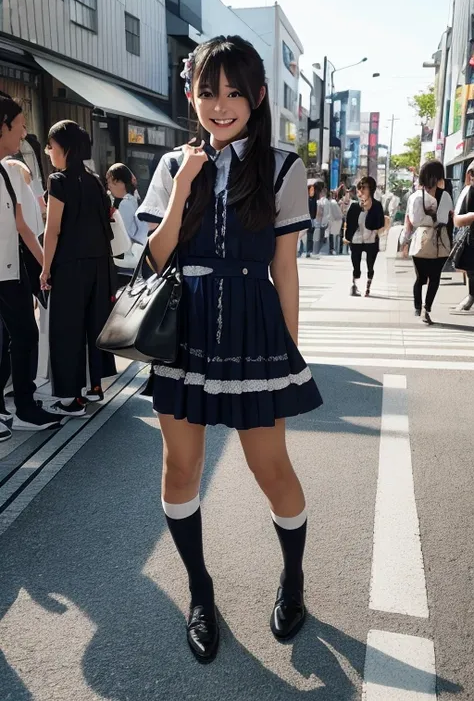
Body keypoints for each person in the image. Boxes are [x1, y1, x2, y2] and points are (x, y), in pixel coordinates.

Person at [137, 34, 323, 663]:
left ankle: (293, 580)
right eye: (208, 91)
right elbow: (153, 259)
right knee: (180, 470)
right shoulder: (171, 166)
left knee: (272, 471)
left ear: (258, 96)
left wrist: (290, 355)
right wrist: (186, 182)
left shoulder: (282, 167)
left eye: (234, 92)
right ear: (192, 95)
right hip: (181, 330)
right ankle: (199, 590)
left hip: (253, 329)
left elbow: (286, 269)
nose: (220, 105)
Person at [40, 120, 117, 413]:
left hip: (70, 265)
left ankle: (71, 399)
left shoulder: (58, 181)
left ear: (66, 149)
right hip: (99, 264)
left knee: (66, 329)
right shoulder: (95, 180)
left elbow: (53, 230)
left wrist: (45, 268)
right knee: (93, 325)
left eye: (52, 146)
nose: (49, 152)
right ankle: (94, 387)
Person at [0, 97, 63, 432]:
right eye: (21, 124)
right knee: (18, 338)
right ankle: (19, 406)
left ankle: (24, 406)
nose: (24, 133)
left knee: (23, 336)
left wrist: (45, 267)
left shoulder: (6, 173)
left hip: (11, 273)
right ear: (4, 125)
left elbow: (23, 226)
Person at [404, 160, 453, 324]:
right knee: (434, 278)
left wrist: (405, 239)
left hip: (421, 240)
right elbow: (446, 219)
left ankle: (419, 307)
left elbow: (413, 220)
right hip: (440, 241)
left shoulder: (415, 197)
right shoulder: (445, 195)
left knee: (420, 278)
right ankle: (426, 308)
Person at [346, 176, 385, 296]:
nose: (361, 191)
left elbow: (381, 223)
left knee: (370, 265)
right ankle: (354, 285)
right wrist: (346, 237)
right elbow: (348, 223)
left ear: (371, 189)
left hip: (371, 239)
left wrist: (369, 211)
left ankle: (368, 286)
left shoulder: (377, 205)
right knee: (356, 264)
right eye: (360, 188)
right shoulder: (354, 206)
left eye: (364, 188)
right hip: (356, 239)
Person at [106, 163, 148, 246]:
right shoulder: (134, 197)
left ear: (120, 183)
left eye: (110, 182)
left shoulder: (125, 204)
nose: (109, 187)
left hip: (128, 253)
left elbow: (127, 234)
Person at [452, 162, 474, 312]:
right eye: (471, 173)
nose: (472, 177)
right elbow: (457, 220)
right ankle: (471, 296)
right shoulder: (469, 192)